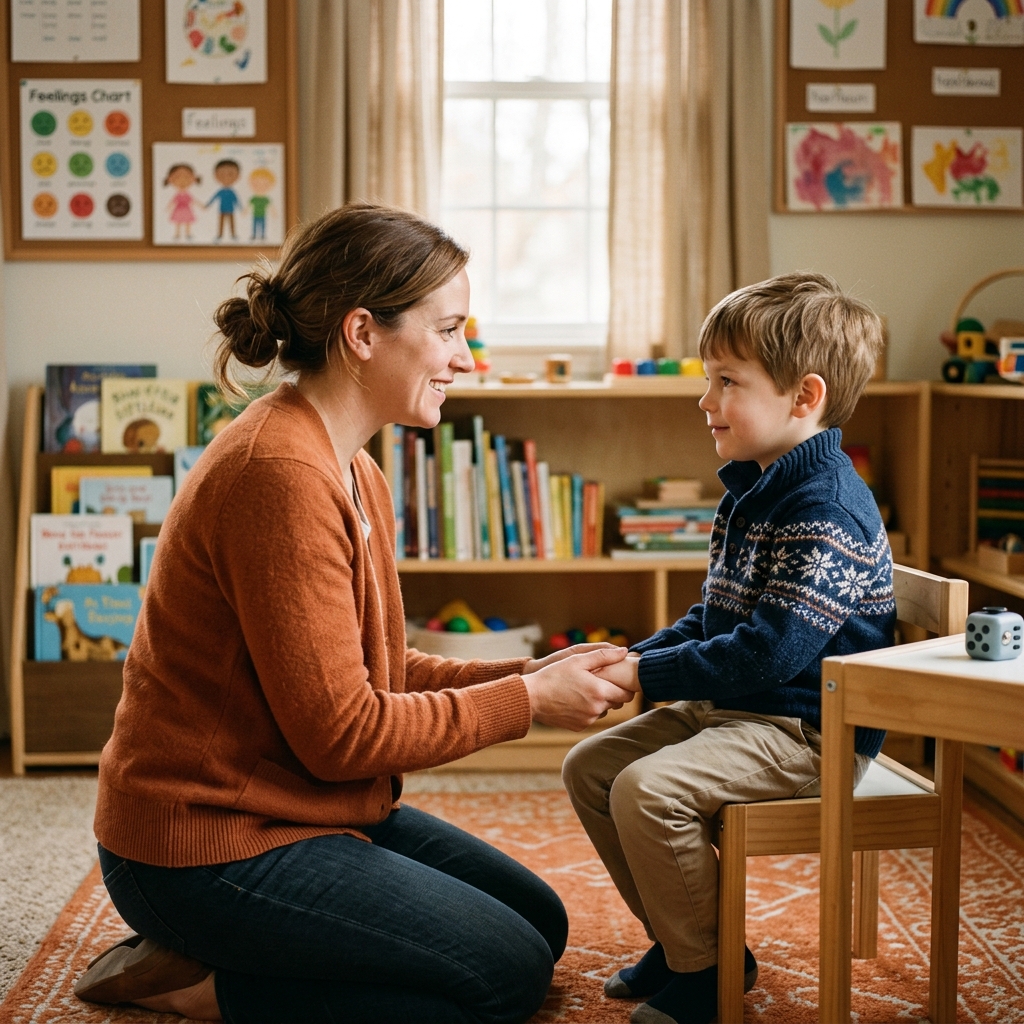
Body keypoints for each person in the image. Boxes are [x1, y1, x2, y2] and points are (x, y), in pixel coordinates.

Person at [76, 202, 637, 1024]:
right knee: (503, 978)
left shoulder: (350, 464)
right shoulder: (279, 475)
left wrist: (529, 671)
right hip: (201, 848)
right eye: (448, 330)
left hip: (299, 810)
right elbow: (343, 736)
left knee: (538, 924)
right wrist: (527, 703)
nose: (464, 358)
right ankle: (202, 985)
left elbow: (378, 670)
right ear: (363, 332)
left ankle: (238, 955)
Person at [561, 272, 895, 1024]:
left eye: (726, 381)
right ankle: (685, 939)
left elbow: (768, 653)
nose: (704, 399)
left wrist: (647, 672)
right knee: (592, 768)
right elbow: (715, 618)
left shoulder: (826, 508)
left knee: (648, 791)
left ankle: (707, 971)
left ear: (803, 397)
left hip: (807, 732)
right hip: (740, 710)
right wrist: (632, 658)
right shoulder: (752, 489)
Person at [205, 159, 241, 240]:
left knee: (231, 222)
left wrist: (240, 208)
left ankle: (233, 234)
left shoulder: (232, 192)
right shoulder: (220, 191)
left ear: (238, 176)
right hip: (222, 209)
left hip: (231, 209)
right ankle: (220, 235)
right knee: (221, 222)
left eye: (230, 174)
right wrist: (208, 205)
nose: (226, 177)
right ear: (215, 176)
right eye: (222, 174)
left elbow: (236, 200)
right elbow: (214, 198)